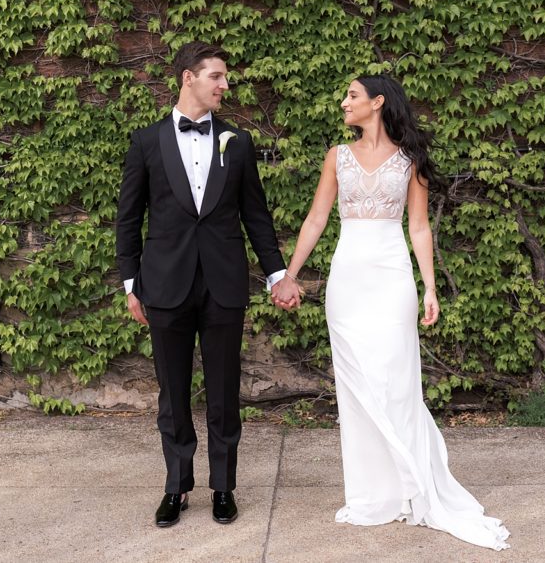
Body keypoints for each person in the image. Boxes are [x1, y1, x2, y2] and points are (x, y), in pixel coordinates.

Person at [270, 75, 510, 550]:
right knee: (356, 384)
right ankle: (371, 498)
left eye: (352, 96)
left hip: (393, 275)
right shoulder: (336, 157)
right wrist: (289, 274)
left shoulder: (410, 162)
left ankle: (412, 486)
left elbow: (418, 227)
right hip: (348, 279)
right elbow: (317, 218)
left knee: (397, 382)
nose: (344, 102)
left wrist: (429, 287)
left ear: (377, 103)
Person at [116, 41, 297, 528]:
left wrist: (278, 274)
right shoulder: (146, 142)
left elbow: (255, 216)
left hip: (223, 284)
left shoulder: (235, 143)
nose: (224, 85)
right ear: (187, 78)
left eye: (225, 77)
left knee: (224, 389)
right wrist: (132, 283)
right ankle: (176, 487)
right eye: (216, 76)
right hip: (164, 285)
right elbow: (128, 219)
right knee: (172, 393)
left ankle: (223, 487)